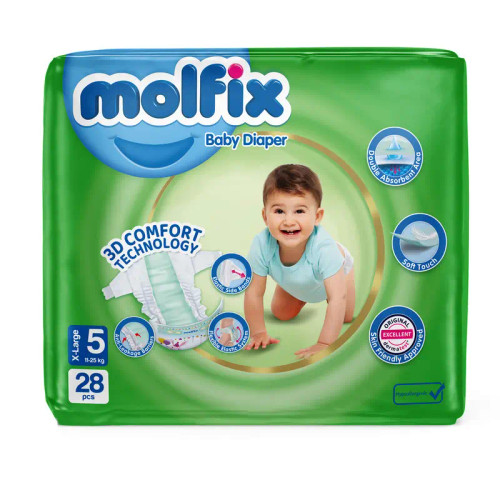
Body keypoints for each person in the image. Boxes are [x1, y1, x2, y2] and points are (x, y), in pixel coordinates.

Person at [245, 164, 355, 359]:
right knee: (281, 313)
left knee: (344, 316)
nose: (289, 221)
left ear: (317, 216)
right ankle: (299, 285)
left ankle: (312, 280)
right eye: (279, 211)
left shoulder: (325, 250)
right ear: (265, 216)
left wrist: (324, 343)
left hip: (337, 271)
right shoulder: (261, 244)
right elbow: (253, 292)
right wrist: (258, 332)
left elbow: (338, 298)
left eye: (299, 211)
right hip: (301, 277)